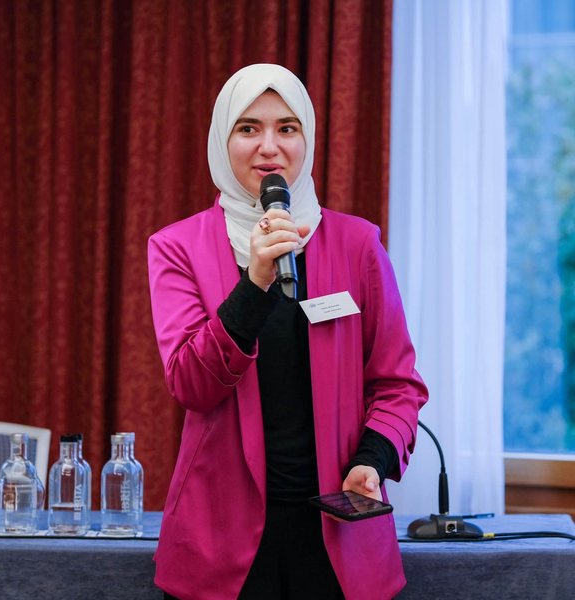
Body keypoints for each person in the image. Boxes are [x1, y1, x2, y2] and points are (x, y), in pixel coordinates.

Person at [148, 63, 428, 600]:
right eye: (248, 128)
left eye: (287, 128)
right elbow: (191, 385)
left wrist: (373, 460)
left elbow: (398, 385)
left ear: (308, 139)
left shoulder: (357, 244)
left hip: (337, 537)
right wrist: (254, 283)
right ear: (222, 139)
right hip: (219, 544)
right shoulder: (177, 247)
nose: (269, 147)